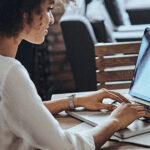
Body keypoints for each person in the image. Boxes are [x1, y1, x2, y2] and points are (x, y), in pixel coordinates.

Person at [0, 0, 150, 149]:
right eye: (48, 9)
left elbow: (25, 111)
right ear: (25, 15)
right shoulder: (10, 73)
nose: (51, 19)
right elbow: (67, 147)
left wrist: (74, 101)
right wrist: (115, 121)